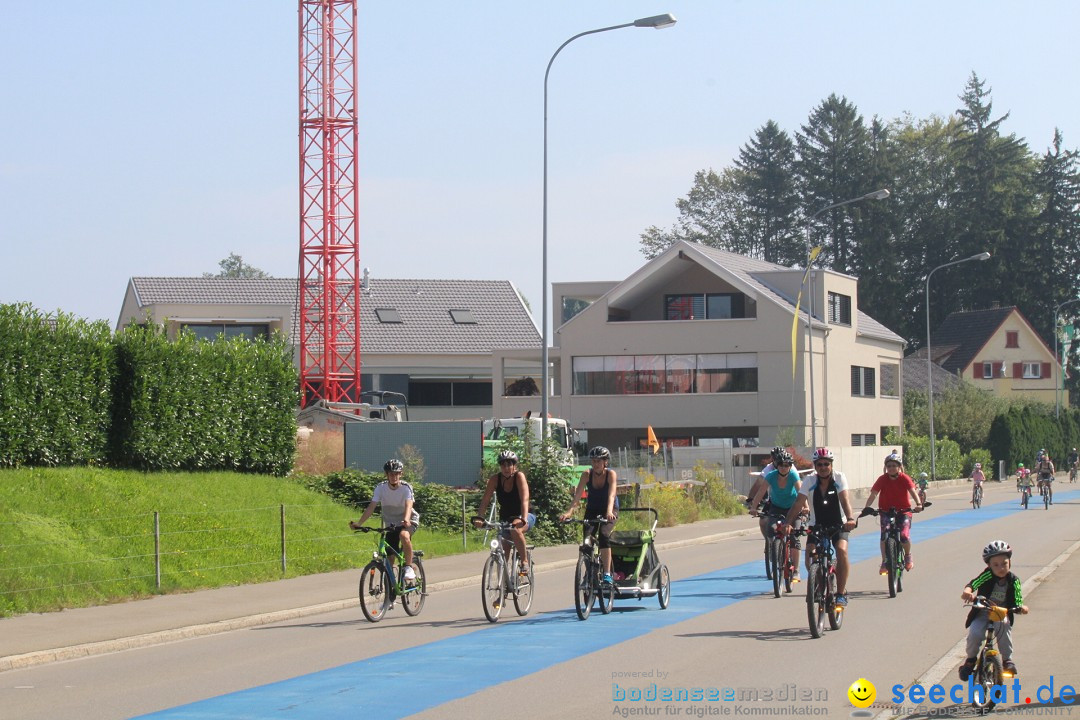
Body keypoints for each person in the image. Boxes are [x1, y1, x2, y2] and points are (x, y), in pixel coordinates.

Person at [782, 447, 857, 607]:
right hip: (817, 525)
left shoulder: (839, 478)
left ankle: (841, 593)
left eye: (826, 464)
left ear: (831, 465)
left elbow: (845, 500)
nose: (823, 467)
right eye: (820, 464)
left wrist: (850, 519)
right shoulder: (809, 481)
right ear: (815, 466)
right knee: (810, 554)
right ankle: (818, 581)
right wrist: (788, 523)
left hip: (839, 524)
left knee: (841, 550)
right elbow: (798, 503)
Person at [958, 540, 1029, 680]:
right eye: (995, 565)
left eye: (1004, 563)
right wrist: (968, 591)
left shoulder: (1013, 580)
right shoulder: (988, 575)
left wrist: (1021, 607)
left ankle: (1007, 660)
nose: (1001, 568)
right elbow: (974, 583)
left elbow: (1018, 597)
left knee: (1004, 628)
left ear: (1010, 562)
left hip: (1001, 612)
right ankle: (970, 660)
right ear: (989, 566)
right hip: (983, 611)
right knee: (975, 632)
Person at [349, 459, 419, 582]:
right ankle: (389, 593)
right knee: (389, 558)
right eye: (391, 474)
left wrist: (406, 519)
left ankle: (408, 567)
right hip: (391, 524)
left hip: (408, 520)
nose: (394, 477)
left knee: (404, 535)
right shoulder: (380, 488)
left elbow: (409, 505)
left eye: (396, 473)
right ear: (386, 475)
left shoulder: (406, 488)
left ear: (401, 474)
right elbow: (371, 507)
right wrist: (359, 524)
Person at [560, 445, 619, 584]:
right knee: (587, 540)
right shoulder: (587, 474)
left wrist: (609, 512)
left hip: (609, 509)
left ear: (605, 462)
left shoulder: (611, 474)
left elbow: (611, 495)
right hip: (592, 509)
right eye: (593, 461)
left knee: (604, 535)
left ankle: (607, 573)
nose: (596, 464)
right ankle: (590, 572)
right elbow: (577, 497)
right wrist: (569, 512)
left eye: (599, 461)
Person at [474, 449, 535, 574]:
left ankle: (524, 561)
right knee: (504, 547)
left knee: (515, 530)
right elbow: (485, 500)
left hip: (525, 514)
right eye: (503, 465)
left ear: (514, 466)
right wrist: (480, 517)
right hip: (506, 518)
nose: (506, 468)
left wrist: (523, 519)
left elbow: (525, 499)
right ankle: (504, 585)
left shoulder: (519, 476)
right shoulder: (495, 479)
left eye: (509, 464)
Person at [861, 452, 923, 573]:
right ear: (886, 467)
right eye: (889, 466)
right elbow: (873, 494)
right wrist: (867, 507)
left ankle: (908, 556)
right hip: (885, 511)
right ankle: (884, 561)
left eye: (894, 465)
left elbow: (912, 491)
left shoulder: (905, 478)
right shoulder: (882, 479)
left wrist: (919, 504)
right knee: (884, 535)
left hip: (904, 511)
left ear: (899, 467)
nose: (891, 468)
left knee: (904, 535)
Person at [748, 448, 804, 580]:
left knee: (794, 537)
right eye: (780, 465)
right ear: (775, 464)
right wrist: (753, 505)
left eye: (786, 465)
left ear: (790, 466)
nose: (784, 468)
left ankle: (795, 570)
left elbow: (801, 493)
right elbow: (760, 490)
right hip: (776, 505)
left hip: (792, 506)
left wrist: (806, 507)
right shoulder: (770, 473)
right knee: (768, 526)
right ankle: (772, 547)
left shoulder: (793, 474)